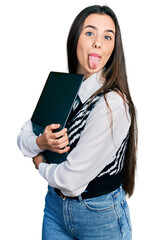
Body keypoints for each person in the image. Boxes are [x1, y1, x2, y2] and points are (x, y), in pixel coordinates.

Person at [17, 5, 137, 240]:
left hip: (100, 215)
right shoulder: (63, 87)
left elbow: (72, 181)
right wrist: (43, 140)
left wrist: (40, 163)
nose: (98, 43)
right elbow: (22, 138)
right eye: (90, 33)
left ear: (114, 48)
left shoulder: (113, 104)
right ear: (75, 39)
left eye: (107, 37)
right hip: (55, 209)